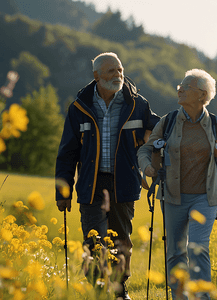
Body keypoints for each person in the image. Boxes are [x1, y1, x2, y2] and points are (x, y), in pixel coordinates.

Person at [55, 52, 159, 300]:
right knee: (94, 240)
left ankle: (119, 290)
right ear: (97, 75)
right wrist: (63, 191)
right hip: (92, 184)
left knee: (122, 240)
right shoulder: (80, 107)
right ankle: (96, 290)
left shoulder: (138, 104)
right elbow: (67, 152)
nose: (118, 75)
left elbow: (158, 130)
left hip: (124, 182)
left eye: (120, 70)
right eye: (111, 71)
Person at [138, 69, 217, 300]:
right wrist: (148, 168)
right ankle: (180, 297)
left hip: (205, 198)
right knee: (175, 253)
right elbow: (145, 149)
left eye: (186, 87)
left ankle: (202, 297)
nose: (180, 90)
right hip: (173, 196)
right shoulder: (169, 121)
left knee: (198, 248)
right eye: (179, 87)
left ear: (202, 95)